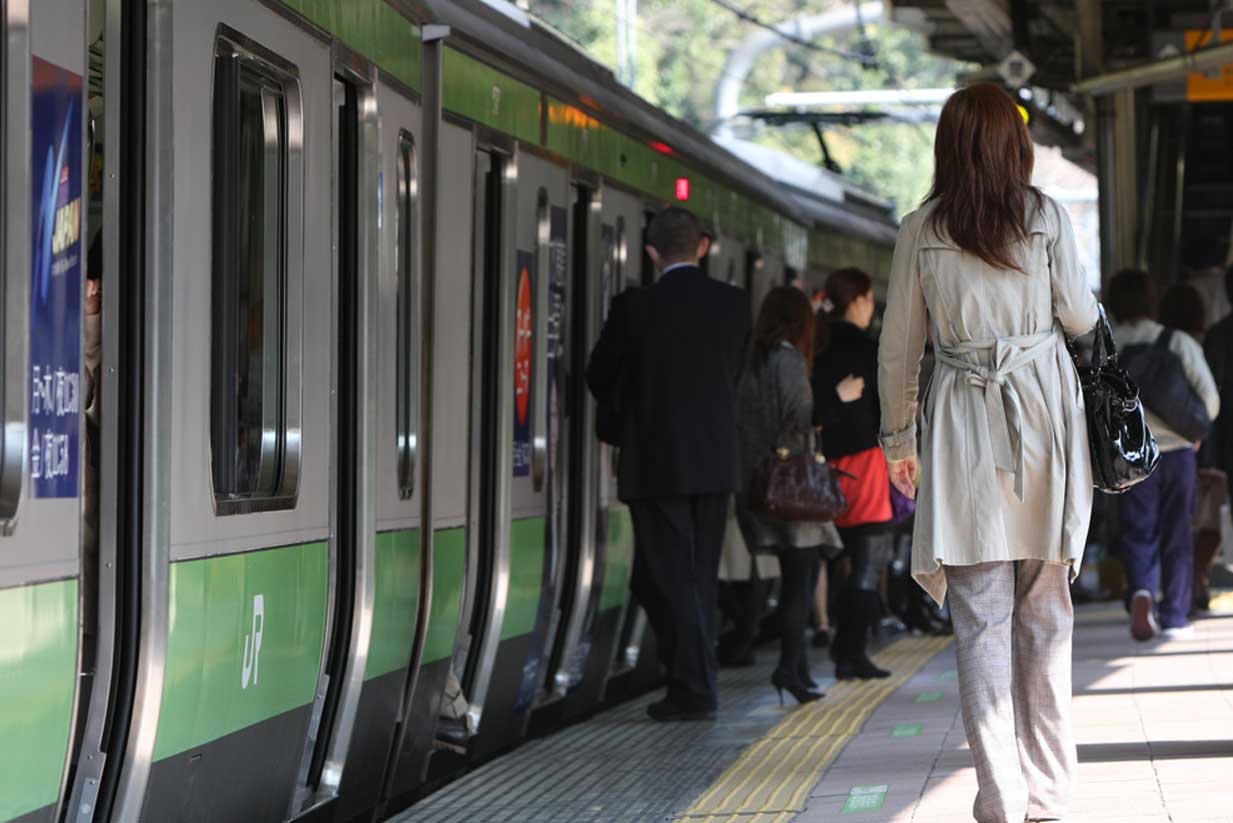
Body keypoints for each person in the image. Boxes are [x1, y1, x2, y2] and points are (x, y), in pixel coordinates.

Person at [879, 83, 1099, 823]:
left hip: (961, 418)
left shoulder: (919, 229)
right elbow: (1076, 315)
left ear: (947, 147)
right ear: (1016, 145)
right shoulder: (1044, 218)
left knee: (978, 619)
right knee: (1045, 611)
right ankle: (1050, 793)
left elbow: (899, 349)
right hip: (1043, 414)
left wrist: (897, 440)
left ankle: (1000, 795)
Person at [586, 207, 750, 721]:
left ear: (652, 253)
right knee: (692, 574)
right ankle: (693, 681)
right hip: (715, 461)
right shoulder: (733, 305)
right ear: (702, 247)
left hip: (654, 463)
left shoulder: (634, 307)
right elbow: (736, 373)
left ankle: (695, 688)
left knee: (667, 576)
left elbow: (598, 375)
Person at [734, 286, 840, 705]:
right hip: (796, 490)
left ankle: (793, 669)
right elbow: (801, 419)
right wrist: (838, 399)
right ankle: (790, 669)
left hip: (762, 487)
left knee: (794, 578)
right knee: (801, 583)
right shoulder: (789, 360)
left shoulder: (752, 362)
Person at [1108, 269, 1219, 640]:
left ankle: (1141, 590)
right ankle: (1174, 616)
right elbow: (1210, 401)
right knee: (1178, 532)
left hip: (1131, 457)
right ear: (1152, 301)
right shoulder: (1177, 342)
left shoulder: (1108, 346)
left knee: (1139, 530)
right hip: (1178, 454)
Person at [812, 268, 894, 680]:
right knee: (867, 560)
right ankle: (852, 652)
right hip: (865, 464)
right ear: (858, 301)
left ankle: (843, 647)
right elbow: (887, 408)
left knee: (835, 557)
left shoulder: (817, 345)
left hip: (825, 466)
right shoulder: (868, 348)